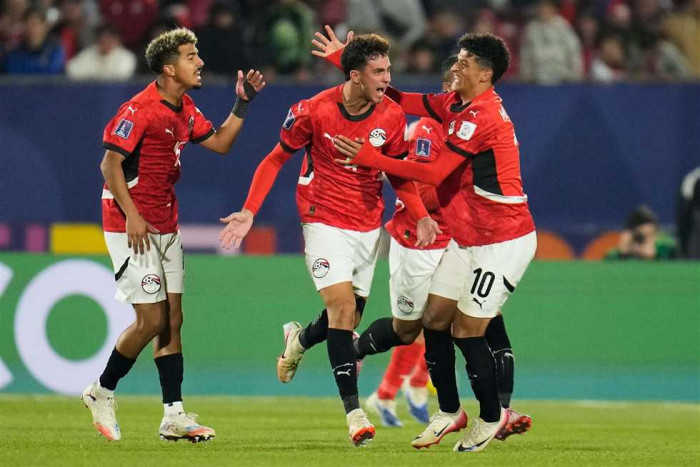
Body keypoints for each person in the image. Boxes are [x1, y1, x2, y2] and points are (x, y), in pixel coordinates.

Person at [218, 32, 437, 446]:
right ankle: (355, 414)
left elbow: (397, 175)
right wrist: (249, 210)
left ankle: (299, 339)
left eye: (388, 70)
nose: (387, 79)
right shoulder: (313, 110)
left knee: (347, 318)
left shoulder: (391, 115)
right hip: (322, 218)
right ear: (355, 76)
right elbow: (275, 160)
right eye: (378, 72)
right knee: (342, 308)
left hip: (366, 224)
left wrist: (422, 215)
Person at [333, 32, 537, 453]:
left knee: (467, 329)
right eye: (457, 59)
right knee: (433, 319)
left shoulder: (482, 116)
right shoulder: (455, 104)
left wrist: (371, 158)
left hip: (502, 241)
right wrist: (350, 64)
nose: (455, 66)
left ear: (485, 74)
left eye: (464, 62)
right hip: (468, 238)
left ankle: (492, 416)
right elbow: (401, 98)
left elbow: (433, 174)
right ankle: (448, 412)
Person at [82, 27, 265, 443]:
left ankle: (174, 416)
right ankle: (101, 392)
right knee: (151, 319)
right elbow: (110, 164)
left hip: (164, 221)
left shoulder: (185, 107)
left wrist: (242, 104)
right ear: (169, 68)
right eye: (191, 56)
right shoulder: (139, 109)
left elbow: (220, 143)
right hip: (131, 225)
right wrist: (132, 215)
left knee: (173, 320)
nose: (200, 62)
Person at [365, 55, 457, 429]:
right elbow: (418, 187)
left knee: (446, 319)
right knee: (415, 326)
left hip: (450, 236)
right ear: (447, 88)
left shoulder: (469, 129)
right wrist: (461, 190)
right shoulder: (426, 130)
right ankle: (384, 381)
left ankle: (401, 388)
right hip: (416, 236)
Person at [66, 24, 136, 81]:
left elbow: (121, 76)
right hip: (89, 91)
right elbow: (72, 70)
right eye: (102, 39)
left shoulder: (126, 57)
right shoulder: (89, 53)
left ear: (116, 40)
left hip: (116, 92)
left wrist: (93, 75)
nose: (105, 42)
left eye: (109, 39)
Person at [605, 205, 677, 260]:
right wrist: (622, 254)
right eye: (638, 237)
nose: (641, 239)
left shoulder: (667, 246)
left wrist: (654, 255)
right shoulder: (616, 253)